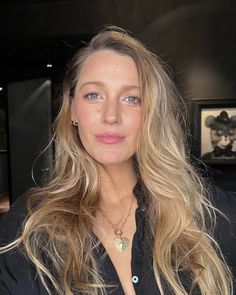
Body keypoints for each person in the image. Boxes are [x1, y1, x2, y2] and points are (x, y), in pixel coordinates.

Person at [0, 26, 235, 295]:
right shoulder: (27, 228)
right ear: (73, 109)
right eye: (94, 95)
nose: (111, 115)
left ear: (150, 113)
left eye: (131, 98)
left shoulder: (212, 215)